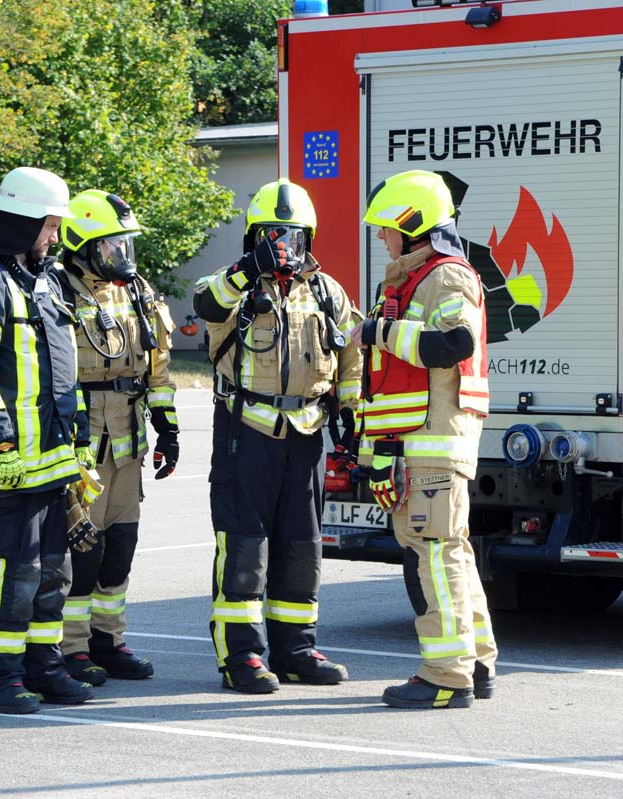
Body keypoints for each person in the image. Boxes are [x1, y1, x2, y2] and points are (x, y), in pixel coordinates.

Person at [192, 179, 362, 693]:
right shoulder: (235, 286)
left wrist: (349, 412)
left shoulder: (327, 290)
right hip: (246, 431)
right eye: (272, 235)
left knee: (302, 545)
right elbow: (205, 304)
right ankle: (241, 656)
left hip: (307, 431)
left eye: (293, 235)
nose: (284, 245)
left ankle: (297, 649)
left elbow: (350, 353)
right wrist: (247, 268)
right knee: (244, 546)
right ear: (254, 238)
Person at [0, 166, 94, 714]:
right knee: (10, 573)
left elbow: (65, 372)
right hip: (10, 464)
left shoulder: (47, 281)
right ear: (22, 222)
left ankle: (44, 665)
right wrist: (0, 443)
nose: (54, 238)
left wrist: (78, 443)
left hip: (53, 463)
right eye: (49, 227)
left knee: (52, 572)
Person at [351, 169, 497, 710]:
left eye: (387, 227)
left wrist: (377, 333)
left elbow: (453, 343)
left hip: (435, 445)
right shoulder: (411, 279)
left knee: (436, 557)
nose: (382, 237)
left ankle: (446, 676)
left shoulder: (446, 278)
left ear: (412, 224)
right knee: (449, 553)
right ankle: (476, 664)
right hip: (418, 443)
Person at [57, 189, 178, 685]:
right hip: (83, 439)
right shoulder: (57, 291)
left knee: (121, 545)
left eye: (124, 246)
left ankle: (109, 639)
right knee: (81, 549)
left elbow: (159, 367)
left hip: (130, 435)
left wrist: (168, 427)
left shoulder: (138, 292)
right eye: (111, 246)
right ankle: (70, 647)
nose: (122, 256)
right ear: (81, 244)